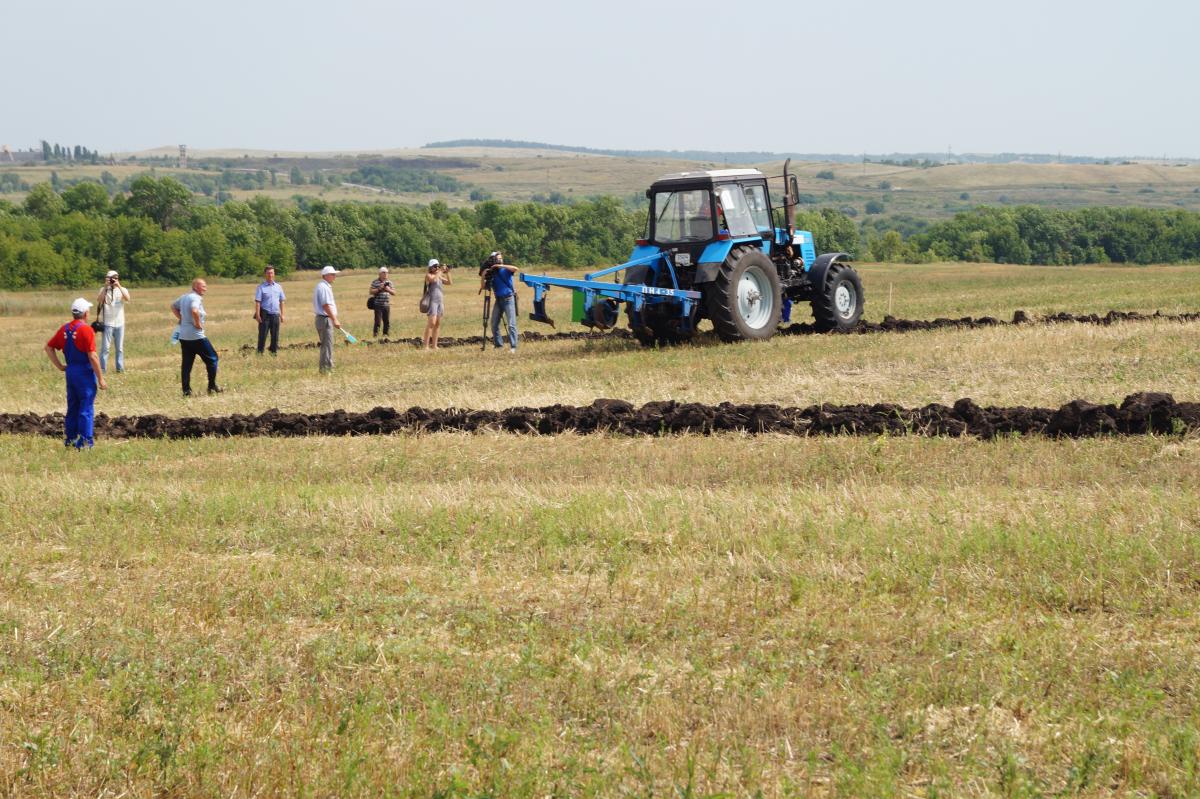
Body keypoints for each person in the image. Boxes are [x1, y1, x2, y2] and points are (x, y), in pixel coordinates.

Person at [44, 297, 107, 449]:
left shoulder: (65, 329)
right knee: (86, 408)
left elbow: (48, 347)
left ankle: (71, 439)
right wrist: (101, 379)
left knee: (73, 407)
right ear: (85, 313)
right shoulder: (87, 330)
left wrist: (60, 366)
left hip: (71, 371)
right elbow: (92, 356)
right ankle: (85, 442)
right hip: (84, 372)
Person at [171, 278, 222, 396]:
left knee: (187, 364)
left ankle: (186, 391)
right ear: (196, 287)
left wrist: (182, 319)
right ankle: (212, 386)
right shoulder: (195, 298)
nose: (205, 288)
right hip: (196, 336)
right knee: (213, 358)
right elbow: (194, 310)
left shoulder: (184, 297)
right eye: (203, 286)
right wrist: (198, 324)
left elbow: (173, 306)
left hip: (184, 336)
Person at [95, 270, 130, 373]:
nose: (113, 280)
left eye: (115, 278)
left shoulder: (122, 289)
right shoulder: (103, 289)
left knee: (119, 348)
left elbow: (128, 299)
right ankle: (103, 369)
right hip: (108, 323)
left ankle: (120, 369)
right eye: (111, 278)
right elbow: (99, 300)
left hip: (120, 323)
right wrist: (106, 287)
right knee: (105, 348)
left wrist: (118, 286)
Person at [484, 251, 520, 352]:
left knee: (511, 324)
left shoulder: (505, 269)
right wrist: (484, 274)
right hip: (498, 300)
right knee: (494, 323)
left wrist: (501, 266)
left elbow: (515, 269)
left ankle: (513, 346)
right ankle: (498, 345)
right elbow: (484, 287)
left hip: (509, 298)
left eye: (501, 258)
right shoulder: (491, 273)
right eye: (497, 259)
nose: (500, 260)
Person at [313, 265, 342, 373]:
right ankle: (327, 370)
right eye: (333, 274)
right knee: (327, 345)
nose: (335, 276)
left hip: (323, 319)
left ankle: (325, 369)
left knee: (326, 345)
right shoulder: (323, 287)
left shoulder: (322, 286)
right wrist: (334, 319)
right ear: (326, 276)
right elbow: (325, 305)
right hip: (325, 320)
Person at [254, 265, 286, 355]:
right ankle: (259, 353)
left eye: (272, 273)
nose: (270, 275)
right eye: (268, 273)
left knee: (275, 335)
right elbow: (258, 302)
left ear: (274, 274)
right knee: (262, 335)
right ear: (265, 274)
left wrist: (282, 314)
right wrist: (257, 315)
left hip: (275, 314)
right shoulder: (261, 287)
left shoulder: (279, 287)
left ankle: (273, 353)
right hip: (265, 315)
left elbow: (282, 301)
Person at [422, 258, 452, 350]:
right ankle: (426, 346)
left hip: (440, 301)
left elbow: (449, 282)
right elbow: (433, 280)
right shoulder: (428, 275)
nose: (437, 268)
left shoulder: (438, 275)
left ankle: (434, 345)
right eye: (435, 266)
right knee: (432, 323)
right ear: (430, 267)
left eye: (438, 266)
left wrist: (447, 272)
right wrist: (440, 271)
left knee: (438, 324)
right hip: (432, 301)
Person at [369, 266, 395, 337]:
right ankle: (375, 335)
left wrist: (388, 289)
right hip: (378, 305)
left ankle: (385, 335)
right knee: (377, 321)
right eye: (384, 273)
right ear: (380, 274)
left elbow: (394, 293)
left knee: (386, 321)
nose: (386, 274)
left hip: (386, 305)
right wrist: (379, 289)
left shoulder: (389, 282)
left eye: (387, 273)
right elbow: (371, 291)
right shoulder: (375, 282)